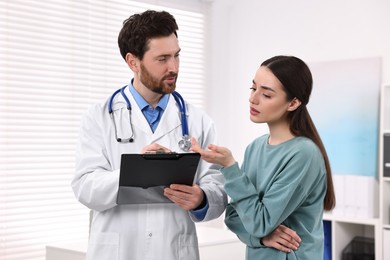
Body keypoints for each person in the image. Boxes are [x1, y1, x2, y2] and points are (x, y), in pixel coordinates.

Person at [71, 10, 227, 260]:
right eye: (162, 58)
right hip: (117, 251)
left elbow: (217, 187)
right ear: (133, 61)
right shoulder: (99, 117)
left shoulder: (197, 120)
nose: (173, 67)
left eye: (177, 56)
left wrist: (201, 198)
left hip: (173, 250)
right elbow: (85, 188)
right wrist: (136, 171)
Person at [191, 55, 336, 259]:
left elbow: (259, 222)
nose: (253, 98)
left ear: (293, 102)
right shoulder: (255, 148)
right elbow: (233, 216)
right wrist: (262, 238)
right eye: (253, 88)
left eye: (266, 95)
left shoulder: (304, 154)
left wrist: (230, 167)